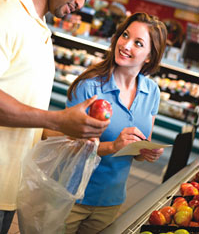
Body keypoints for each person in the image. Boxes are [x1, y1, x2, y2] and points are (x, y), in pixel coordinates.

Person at [0, 0, 110, 234]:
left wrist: (71, 132)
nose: (82, 4)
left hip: (8, 189)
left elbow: (26, 114)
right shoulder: (6, 13)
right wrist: (58, 119)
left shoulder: (41, 29)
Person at [63, 12, 168, 233]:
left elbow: (137, 149)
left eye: (138, 43)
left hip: (111, 201)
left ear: (150, 56)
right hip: (71, 195)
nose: (126, 45)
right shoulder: (89, 87)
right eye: (125, 35)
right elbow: (66, 145)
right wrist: (113, 146)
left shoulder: (152, 92)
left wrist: (145, 152)